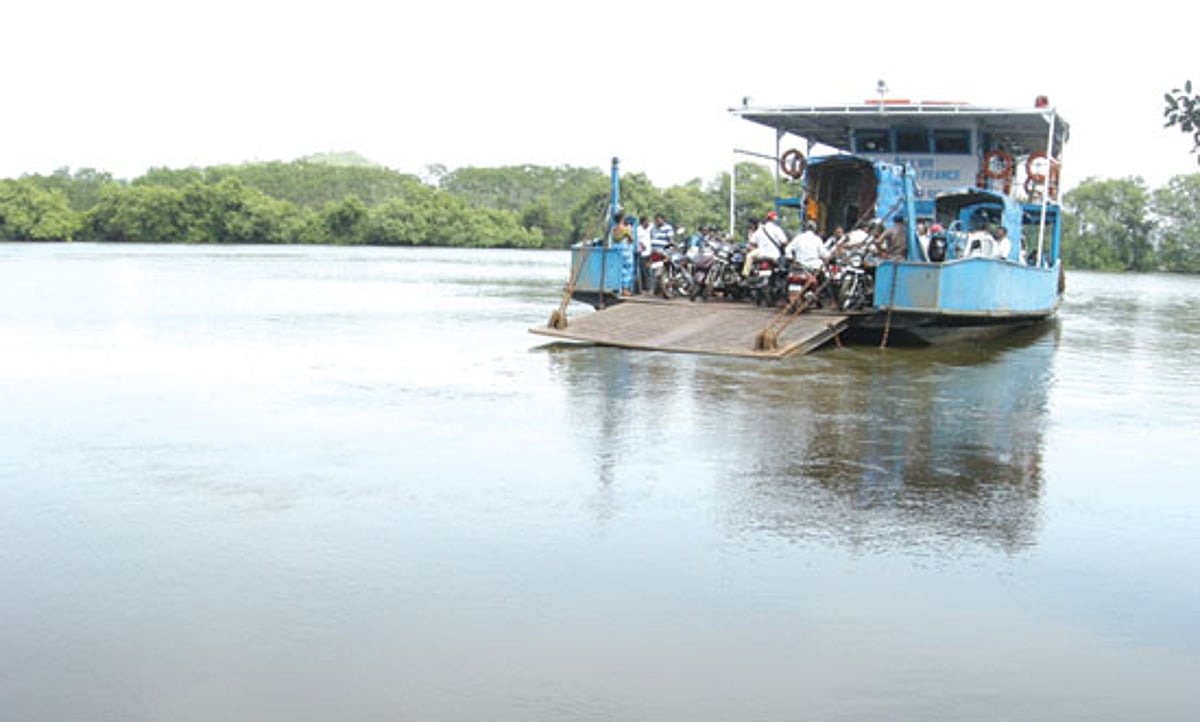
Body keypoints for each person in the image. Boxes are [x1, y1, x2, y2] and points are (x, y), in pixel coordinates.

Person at [742, 210, 786, 276]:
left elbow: (752, 242)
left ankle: (745, 275)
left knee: (749, 256)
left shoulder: (761, 229)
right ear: (775, 220)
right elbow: (784, 242)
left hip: (762, 253)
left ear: (767, 219)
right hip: (775, 255)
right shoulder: (777, 229)